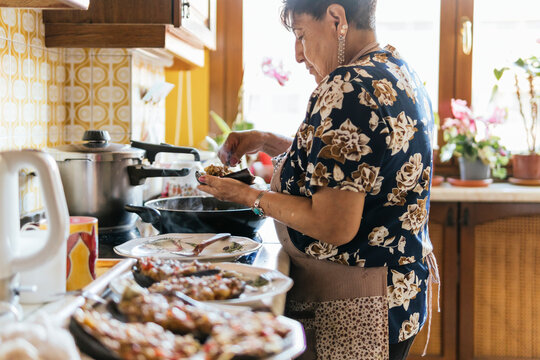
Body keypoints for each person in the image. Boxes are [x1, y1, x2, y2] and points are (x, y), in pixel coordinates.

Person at [197, 0, 439, 359]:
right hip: (397, 295)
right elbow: (353, 165)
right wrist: (269, 141)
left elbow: (334, 223)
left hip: (357, 307)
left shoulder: (347, 86)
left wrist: (249, 195)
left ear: (337, 18)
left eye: (300, 35)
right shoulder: (396, 70)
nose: (297, 54)